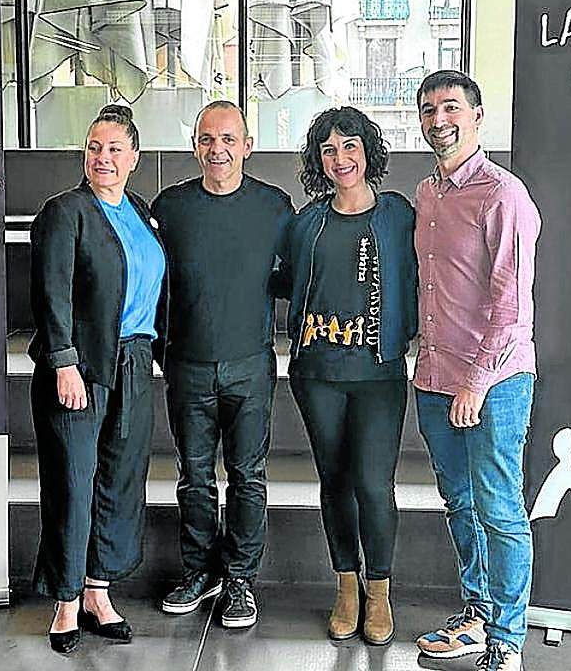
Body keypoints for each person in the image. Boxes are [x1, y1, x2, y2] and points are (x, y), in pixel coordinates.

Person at [410, 71, 541, 671]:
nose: (438, 120)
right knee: (459, 502)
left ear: (477, 115)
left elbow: (511, 306)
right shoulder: (427, 193)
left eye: (450, 107)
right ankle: (478, 614)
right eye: (428, 109)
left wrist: (476, 381)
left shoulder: (503, 195)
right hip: (435, 378)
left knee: (499, 507)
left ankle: (507, 640)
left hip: (494, 382)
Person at [28, 104, 167, 654]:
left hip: (133, 362)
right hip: (79, 367)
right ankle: (65, 601)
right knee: (73, 481)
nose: (102, 158)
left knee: (119, 480)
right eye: (94, 147)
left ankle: (97, 591)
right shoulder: (65, 212)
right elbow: (51, 291)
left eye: (114, 149)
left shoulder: (140, 210)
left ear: (134, 157)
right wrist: (63, 362)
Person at [152, 100, 293, 629]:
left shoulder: (275, 207)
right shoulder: (170, 207)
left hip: (250, 365)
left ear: (247, 146)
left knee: (247, 476)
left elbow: (295, 276)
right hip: (186, 365)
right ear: (195, 146)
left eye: (229, 139)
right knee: (193, 477)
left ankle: (239, 579)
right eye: (208, 139)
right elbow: (151, 279)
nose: (218, 150)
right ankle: (200, 571)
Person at [282, 106, 418, 646]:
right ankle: (346, 587)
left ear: (368, 152)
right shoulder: (306, 223)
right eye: (329, 149)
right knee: (334, 481)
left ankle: (379, 591)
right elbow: (281, 278)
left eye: (350, 146)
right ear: (319, 159)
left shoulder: (397, 215)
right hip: (317, 373)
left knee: (374, 485)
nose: (341, 158)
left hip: (379, 374)